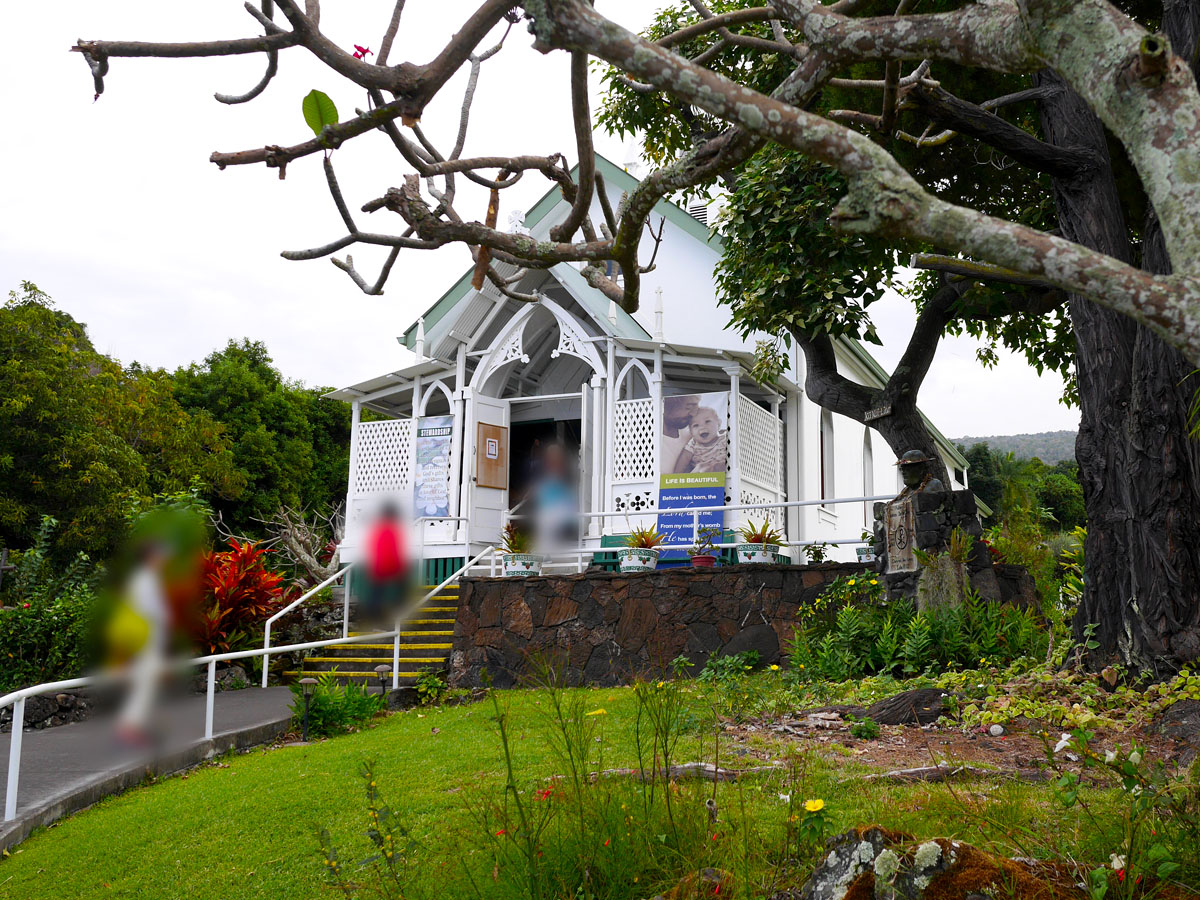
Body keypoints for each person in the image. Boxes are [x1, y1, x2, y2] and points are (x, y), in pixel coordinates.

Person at [111, 540, 170, 746]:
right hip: (143, 640)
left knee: (146, 683)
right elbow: (146, 613)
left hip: (149, 640)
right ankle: (130, 727)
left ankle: (133, 726)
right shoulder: (144, 580)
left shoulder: (149, 579)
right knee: (144, 682)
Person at [360, 501, 412, 627]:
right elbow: (394, 549)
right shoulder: (392, 528)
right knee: (400, 586)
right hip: (390, 564)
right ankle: (398, 608)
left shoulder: (378, 528)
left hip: (377, 565)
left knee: (377, 592)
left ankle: (374, 620)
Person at [533, 442, 578, 551]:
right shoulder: (543, 469)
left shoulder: (567, 470)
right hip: (547, 505)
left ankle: (552, 550)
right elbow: (539, 486)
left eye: (555, 454)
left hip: (562, 504)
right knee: (543, 525)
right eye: (551, 454)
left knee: (553, 525)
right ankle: (546, 553)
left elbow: (570, 486)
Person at [673, 406, 727, 474]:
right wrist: (676, 477)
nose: (702, 427)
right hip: (700, 479)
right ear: (691, 432)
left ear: (719, 424)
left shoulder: (724, 439)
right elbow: (683, 460)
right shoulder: (693, 444)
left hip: (721, 476)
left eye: (707, 421)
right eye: (696, 425)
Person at [661, 394, 699, 474]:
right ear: (667, 408)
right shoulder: (649, 441)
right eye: (688, 408)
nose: (693, 414)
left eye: (695, 408)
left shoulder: (691, 436)